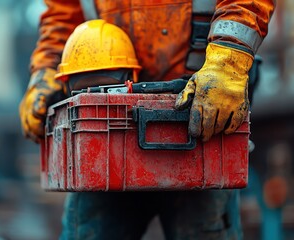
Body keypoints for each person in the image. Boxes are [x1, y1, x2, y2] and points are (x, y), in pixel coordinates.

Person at [19, 1, 275, 239]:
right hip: (108, 128)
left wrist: (228, 60)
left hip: (200, 114)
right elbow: (63, 15)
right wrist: (46, 71)